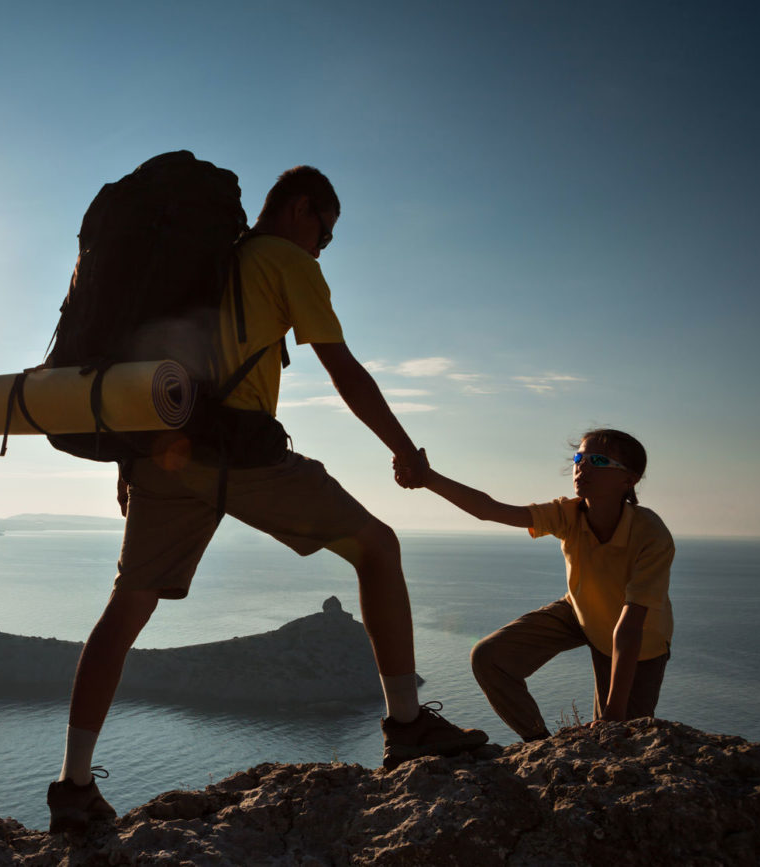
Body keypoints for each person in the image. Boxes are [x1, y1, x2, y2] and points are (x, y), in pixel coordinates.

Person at [46, 166, 487, 834]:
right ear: (301, 209)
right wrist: (405, 449)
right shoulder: (284, 259)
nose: (324, 246)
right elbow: (343, 367)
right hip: (241, 454)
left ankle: (73, 788)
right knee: (379, 546)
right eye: (326, 231)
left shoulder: (209, 263)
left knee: (126, 606)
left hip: (166, 453)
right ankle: (406, 724)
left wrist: (132, 461)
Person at [396, 428, 674, 742]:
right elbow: (491, 510)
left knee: (621, 738)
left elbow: (631, 624)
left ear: (629, 479)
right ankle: (541, 744)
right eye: (578, 458)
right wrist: (428, 478)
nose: (581, 466)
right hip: (580, 612)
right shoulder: (569, 513)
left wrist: (613, 713)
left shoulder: (650, 533)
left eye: (598, 460)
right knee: (489, 657)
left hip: (639, 642)